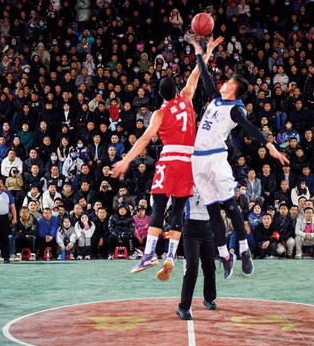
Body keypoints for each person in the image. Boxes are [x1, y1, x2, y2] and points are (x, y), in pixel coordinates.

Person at [112, 36, 223, 281]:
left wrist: (126, 160)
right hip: (189, 162)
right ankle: (171, 254)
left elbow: (143, 140)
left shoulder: (160, 113)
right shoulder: (186, 97)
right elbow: (196, 73)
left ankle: (150, 253)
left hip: (170, 158)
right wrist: (207, 51)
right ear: (175, 89)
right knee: (179, 211)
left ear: (160, 94)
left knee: (159, 207)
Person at [191, 37, 288, 279]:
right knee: (212, 209)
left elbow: (250, 128)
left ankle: (244, 251)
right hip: (198, 159)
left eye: (228, 82)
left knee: (230, 205)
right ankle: (224, 255)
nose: (222, 83)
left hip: (215, 158)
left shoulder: (235, 108)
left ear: (233, 88)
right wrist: (198, 53)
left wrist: (271, 146)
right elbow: (205, 77)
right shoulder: (215, 98)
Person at [176, 188, 216, 321]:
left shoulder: (209, 182)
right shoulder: (187, 183)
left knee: (210, 265)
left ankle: (209, 298)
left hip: (207, 226)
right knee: (192, 265)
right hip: (191, 227)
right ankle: (183, 307)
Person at [0, 176, 17, 263]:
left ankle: (6, 257)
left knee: (4, 238)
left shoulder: (7, 194)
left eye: (1, 182)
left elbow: (12, 206)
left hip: (4, 218)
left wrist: (14, 217)